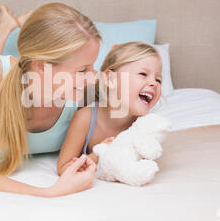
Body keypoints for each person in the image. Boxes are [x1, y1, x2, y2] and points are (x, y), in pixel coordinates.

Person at [0, 3, 102, 197]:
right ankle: (5, 28)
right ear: (42, 66)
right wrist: (51, 192)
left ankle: (13, 26)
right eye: (83, 70)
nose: (93, 78)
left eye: (93, 66)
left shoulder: (83, 88)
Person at [57, 42, 163, 175]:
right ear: (110, 79)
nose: (153, 83)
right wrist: (98, 155)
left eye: (158, 79)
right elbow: (63, 168)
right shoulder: (85, 119)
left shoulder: (144, 126)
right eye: (143, 74)